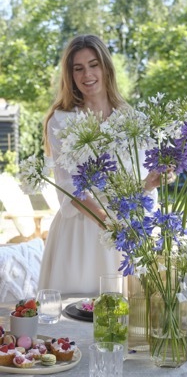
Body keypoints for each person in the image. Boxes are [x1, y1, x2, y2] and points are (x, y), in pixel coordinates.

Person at [38, 34, 163, 295]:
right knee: (74, 319)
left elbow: (139, 185)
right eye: (78, 68)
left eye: (94, 65)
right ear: (70, 75)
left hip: (127, 231)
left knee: (130, 320)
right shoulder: (61, 122)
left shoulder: (134, 120)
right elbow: (69, 188)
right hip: (82, 232)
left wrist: (151, 183)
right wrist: (108, 223)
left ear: (106, 67)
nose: (87, 74)